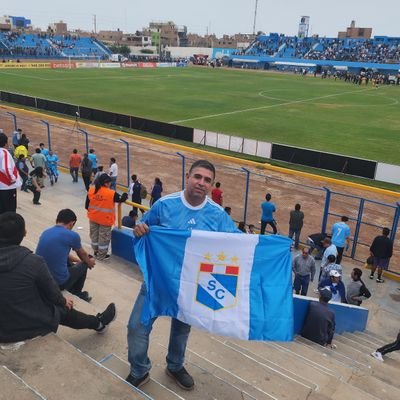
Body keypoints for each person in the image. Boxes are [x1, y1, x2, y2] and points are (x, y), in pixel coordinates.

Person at [126, 160, 240, 391]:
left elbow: (239, 242)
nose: (201, 183)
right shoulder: (165, 205)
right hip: (157, 282)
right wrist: (139, 229)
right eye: (197, 177)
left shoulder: (217, 215)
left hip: (191, 285)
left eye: (207, 180)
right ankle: (139, 369)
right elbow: (143, 230)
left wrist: (273, 246)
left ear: (211, 185)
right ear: (187, 177)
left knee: (181, 330)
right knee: (136, 327)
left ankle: (175, 365)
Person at [0, 212, 116, 343]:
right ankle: (99, 323)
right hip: (22, 329)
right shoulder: (33, 262)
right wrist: (62, 301)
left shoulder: (44, 238)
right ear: (23, 233)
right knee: (60, 309)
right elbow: (52, 293)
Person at [36, 209, 96, 302]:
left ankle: (72, 287)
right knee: (84, 264)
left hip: (41, 279)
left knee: (75, 263)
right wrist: (89, 262)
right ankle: (77, 292)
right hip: (57, 283)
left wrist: (77, 261)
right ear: (72, 223)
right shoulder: (72, 235)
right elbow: (83, 255)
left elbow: (62, 254)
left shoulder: (46, 232)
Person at [86, 173, 128, 260]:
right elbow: (121, 199)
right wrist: (125, 195)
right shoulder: (111, 193)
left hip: (93, 218)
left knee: (94, 236)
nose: (110, 184)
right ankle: (101, 256)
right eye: (109, 182)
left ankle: (96, 251)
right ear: (106, 183)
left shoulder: (91, 190)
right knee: (103, 238)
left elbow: (87, 206)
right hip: (105, 220)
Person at [0, 132, 21, 213]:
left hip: (2, 186)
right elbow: (6, 168)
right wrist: (12, 179)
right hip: (7, 187)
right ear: (6, 143)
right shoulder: (4, 152)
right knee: (9, 212)